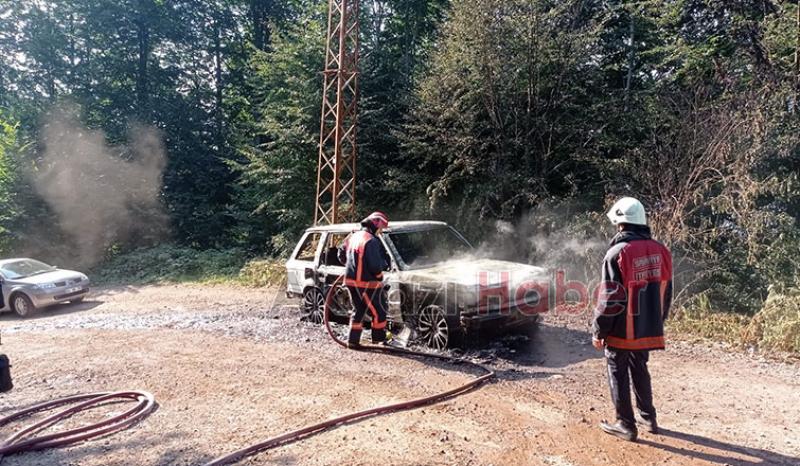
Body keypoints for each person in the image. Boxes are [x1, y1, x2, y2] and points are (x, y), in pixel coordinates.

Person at [592, 197, 673, 442]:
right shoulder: (662, 250)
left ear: (620, 223)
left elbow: (610, 298)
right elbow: (666, 292)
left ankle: (625, 424)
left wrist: (599, 331)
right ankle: (648, 417)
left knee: (616, 367)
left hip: (621, 329)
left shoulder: (617, 253)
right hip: (648, 327)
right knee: (640, 365)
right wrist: (657, 322)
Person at [338, 211, 392, 348]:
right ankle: (379, 339)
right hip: (366, 284)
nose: (380, 231)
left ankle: (353, 341)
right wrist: (380, 278)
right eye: (381, 227)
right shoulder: (371, 241)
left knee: (359, 310)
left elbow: (341, 255)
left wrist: (352, 266)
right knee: (379, 311)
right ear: (375, 223)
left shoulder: (353, 237)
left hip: (351, 282)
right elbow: (375, 266)